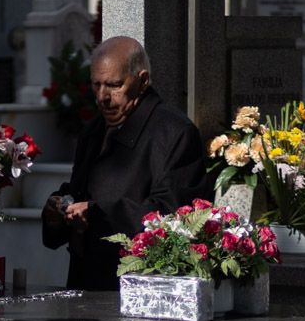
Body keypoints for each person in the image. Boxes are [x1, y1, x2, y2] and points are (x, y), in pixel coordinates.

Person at [42, 36, 209, 288]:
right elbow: (81, 192)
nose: (103, 97)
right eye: (96, 85)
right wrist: (59, 212)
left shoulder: (174, 133)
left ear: (142, 81)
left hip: (139, 287)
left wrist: (98, 212)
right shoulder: (93, 131)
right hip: (86, 281)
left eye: (114, 85)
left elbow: (176, 215)